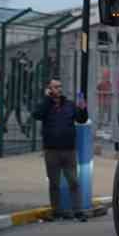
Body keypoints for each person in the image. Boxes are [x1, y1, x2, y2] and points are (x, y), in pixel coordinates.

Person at [33, 79, 88, 220]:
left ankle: (78, 210)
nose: (59, 89)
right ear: (49, 89)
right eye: (55, 87)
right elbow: (37, 114)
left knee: (73, 181)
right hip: (51, 150)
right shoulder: (45, 105)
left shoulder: (69, 105)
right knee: (54, 183)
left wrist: (83, 109)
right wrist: (47, 99)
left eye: (60, 86)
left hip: (68, 150)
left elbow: (81, 119)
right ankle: (56, 210)